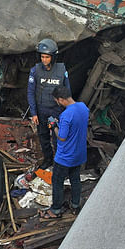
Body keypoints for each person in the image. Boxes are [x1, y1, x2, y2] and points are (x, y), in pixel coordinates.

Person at [39, 86, 89, 219]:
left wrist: (54, 125)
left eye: (57, 100)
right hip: (79, 154)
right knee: (75, 179)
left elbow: (62, 136)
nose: (57, 103)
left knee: (57, 181)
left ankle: (55, 210)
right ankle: (75, 204)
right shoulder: (83, 107)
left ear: (61, 99)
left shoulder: (66, 115)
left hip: (65, 156)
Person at [27, 39, 71, 169]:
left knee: (58, 137)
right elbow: (30, 92)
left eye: (47, 57)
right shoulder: (35, 71)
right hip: (41, 111)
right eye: (42, 57)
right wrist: (34, 113)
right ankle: (48, 159)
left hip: (56, 111)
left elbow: (67, 92)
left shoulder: (62, 70)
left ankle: (59, 162)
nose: (44, 60)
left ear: (53, 57)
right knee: (43, 136)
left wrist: (66, 111)